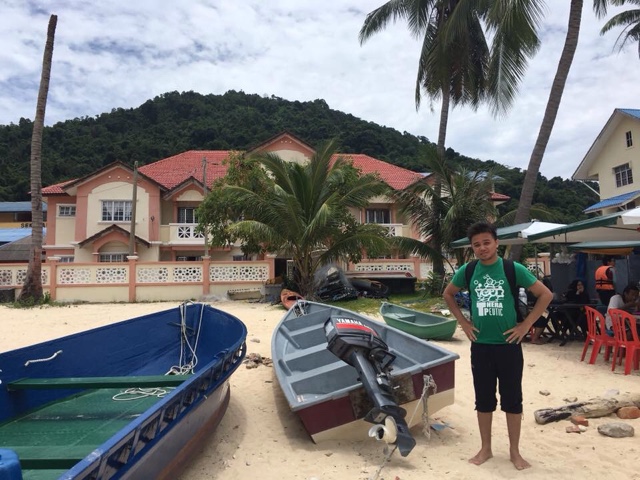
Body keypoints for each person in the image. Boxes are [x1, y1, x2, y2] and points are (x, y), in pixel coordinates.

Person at [443, 222, 553, 471]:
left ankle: (515, 451)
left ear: (496, 243)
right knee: (483, 399)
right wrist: (464, 323)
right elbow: (448, 294)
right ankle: (486, 448)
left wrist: (526, 325)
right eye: (477, 245)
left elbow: (545, 294)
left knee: (512, 399)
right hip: (480, 345)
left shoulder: (512, 269)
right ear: (472, 248)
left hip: (509, 345)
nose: (482, 248)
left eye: (486, 242)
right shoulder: (468, 270)